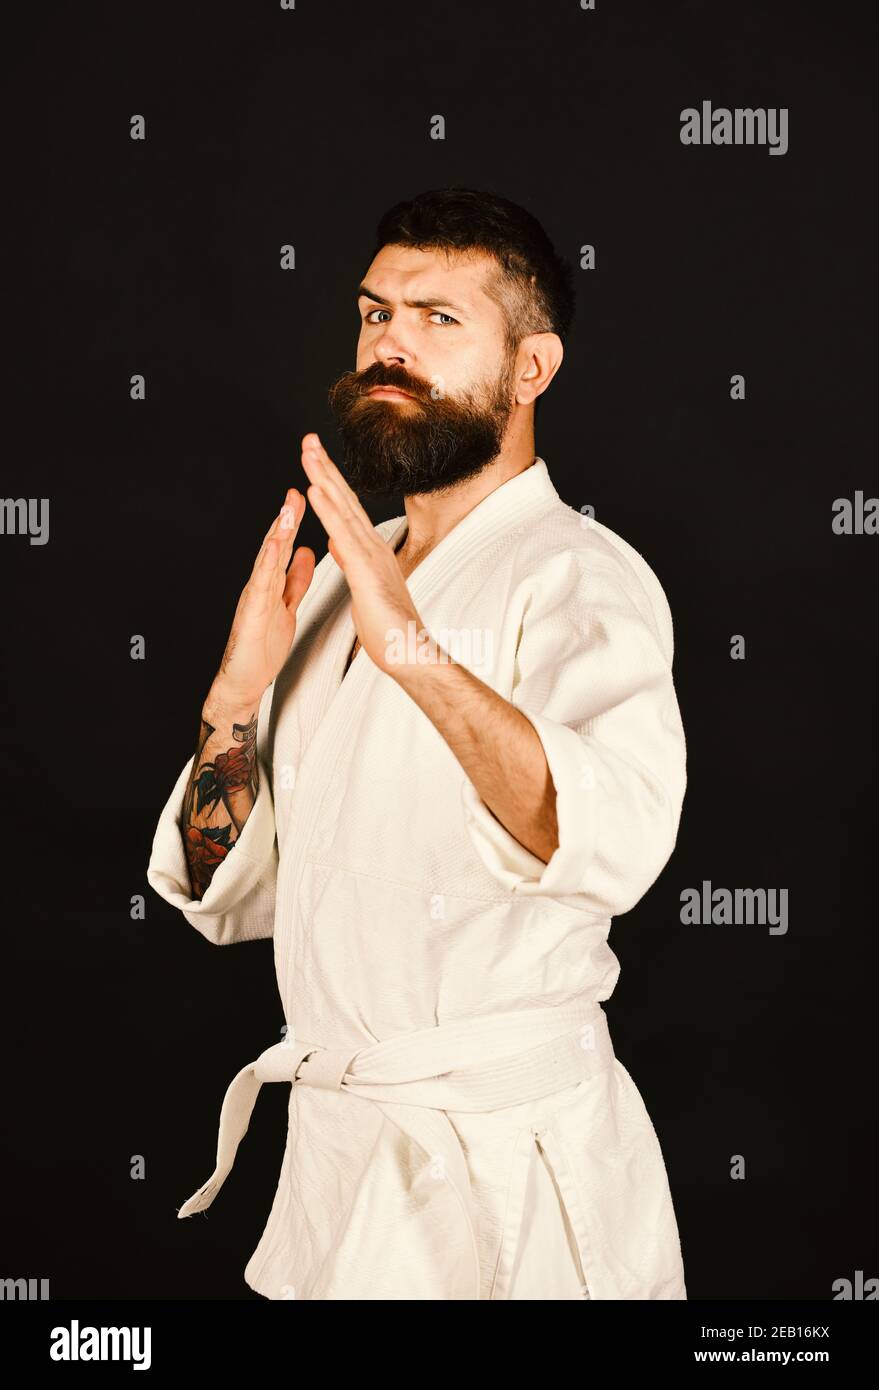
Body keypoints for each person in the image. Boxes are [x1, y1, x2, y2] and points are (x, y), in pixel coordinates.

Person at [147, 186, 688, 1300]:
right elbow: (218, 885)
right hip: (343, 1163)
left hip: (512, 1180)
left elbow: (607, 838)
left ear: (532, 367)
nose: (390, 340)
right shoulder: (346, 579)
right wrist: (236, 699)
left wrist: (417, 654)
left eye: (439, 318)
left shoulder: (582, 576)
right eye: (375, 311)